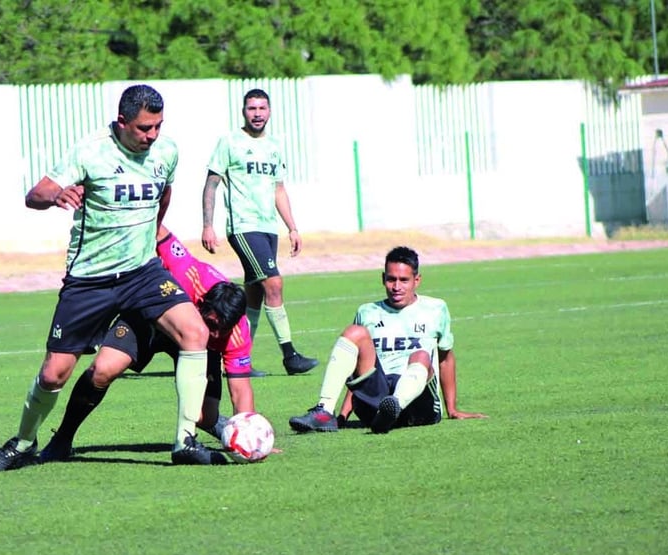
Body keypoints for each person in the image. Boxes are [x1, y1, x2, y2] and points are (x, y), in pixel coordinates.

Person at [0, 84, 213, 472]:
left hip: (142, 273)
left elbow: (164, 194)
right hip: (90, 280)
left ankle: (184, 441)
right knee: (55, 372)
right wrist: (56, 197)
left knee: (195, 332)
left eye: (157, 127)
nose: (151, 136)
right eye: (143, 128)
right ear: (122, 122)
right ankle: (22, 443)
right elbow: (35, 194)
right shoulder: (90, 152)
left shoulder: (167, 151)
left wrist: (152, 233)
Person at [38, 225, 259, 465]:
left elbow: (240, 390)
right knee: (101, 371)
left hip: (194, 349)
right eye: (210, 324)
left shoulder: (238, 331)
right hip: (150, 319)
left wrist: (250, 437)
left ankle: (225, 434)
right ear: (202, 303)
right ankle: (62, 438)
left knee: (204, 417)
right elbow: (158, 229)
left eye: (221, 330)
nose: (214, 333)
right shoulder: (187, 270)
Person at [288, 246, 486, 434]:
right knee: (354, 332)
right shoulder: (367, 312)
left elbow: (445, 359)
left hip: (418, 405)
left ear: (417, 280)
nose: (396, 287)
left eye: (404, 280)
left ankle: (394, 406)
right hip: (376, 400)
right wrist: (342, 415)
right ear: (383, 278)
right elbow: (356, 369)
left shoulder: (436, 309)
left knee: (421, 355)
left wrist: (452, 409)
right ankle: (324, 411)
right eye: (391, 279)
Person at [200, 88, 318, 376]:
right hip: (243, 226)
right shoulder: (229, 142)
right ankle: (290, 356)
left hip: (267, 227)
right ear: (244, 111)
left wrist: (292, 227)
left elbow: (279, 189)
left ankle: (239, 361)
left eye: (262, 108)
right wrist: (207, 224)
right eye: (251, 108)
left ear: (269, 111)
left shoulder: (274, 146)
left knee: (254, 295)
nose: (257, 113)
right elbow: (211, 184)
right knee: (274, 284)